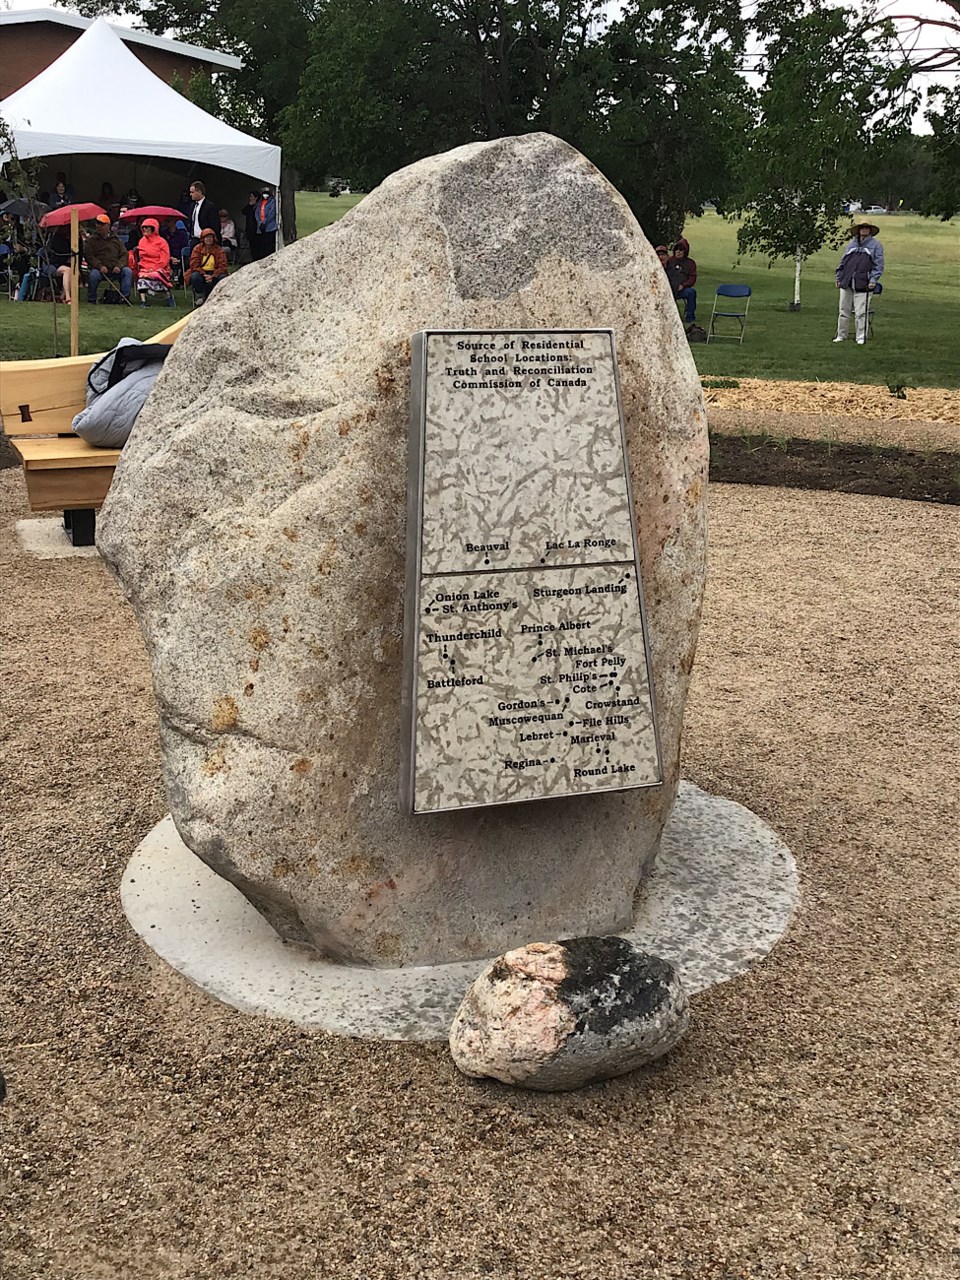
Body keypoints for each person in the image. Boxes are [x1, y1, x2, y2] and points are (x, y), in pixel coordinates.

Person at [833, 219, 884, 345]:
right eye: (862, 228)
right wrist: (839, 278)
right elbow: (843, 263)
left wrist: (873, 280)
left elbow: (878, 265)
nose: (864, 230)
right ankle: (841, 335)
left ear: (870, 230)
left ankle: (860, 336)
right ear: (859, 230)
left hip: (864, 284)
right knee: (843, 310)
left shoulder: (876, 245)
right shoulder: (851, 245)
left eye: (867, 228)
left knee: (861, 312)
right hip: (847, 282)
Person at [84, 213, 133, 304]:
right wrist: (100, 266)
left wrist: (119, 266)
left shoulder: (116, 239)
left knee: (127, 271)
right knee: (94, 275)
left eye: (102, 224)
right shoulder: (91, 240)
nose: (99, 226)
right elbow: (89, 256)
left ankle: (124, 298)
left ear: (108, 225)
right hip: (100, 270)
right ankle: (92, 299)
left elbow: (124, 254)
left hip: (116, 269)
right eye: (97, 223)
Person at [135, 218, 174, 307]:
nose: (145, 229)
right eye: (143, 227)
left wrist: (155, 268)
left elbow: (165, 259)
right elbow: (142, 258)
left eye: (147, 227)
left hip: (160, 268)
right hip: (145, 268)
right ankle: (143, 301)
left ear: (153, 228)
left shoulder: (162, 242)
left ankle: (168, 298)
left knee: (156, 275)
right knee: (142, 277)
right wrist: (147, 268)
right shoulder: (142, 241)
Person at [188, 226, 228, 304]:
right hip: (201, 272)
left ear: (214, 239)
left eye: (210, 237)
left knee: (223, 277)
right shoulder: (197, 249)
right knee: (194, 276)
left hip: (215, 272)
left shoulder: (219, 250)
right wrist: (204, 274)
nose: (208, 239)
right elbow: (194, 265)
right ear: (203, 239)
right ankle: (200, 296)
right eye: (206, 237)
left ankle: (218, 297)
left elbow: (223, 266)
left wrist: (213, 275)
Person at [665, 238, 697, 324]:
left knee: (691, 292)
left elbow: (692, 278)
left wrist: (683, 285)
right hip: (670, 288)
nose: (678, 252)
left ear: (685, 252)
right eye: (676, 250)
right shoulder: (670, 261)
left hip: (682, 288)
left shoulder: (691, 263)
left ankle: (689, 316)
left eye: (681, 250)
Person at [188, 180, 220, 247]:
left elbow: (215, 225)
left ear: (199, 192)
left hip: (206, 240)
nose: (190, 194)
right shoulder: (192, 206)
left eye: (192, 192)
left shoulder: (210, 206)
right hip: (194, 238)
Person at [255, 186, 278, 257]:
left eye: (267, 193)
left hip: (269, 227)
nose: (265, 195)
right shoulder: (260, 202)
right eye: (264, 193)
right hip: (260, 228)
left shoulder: (272, 201)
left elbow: (272, 213)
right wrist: (259, 223)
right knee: (261, 245)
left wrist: (264, 222)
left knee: (268, 245)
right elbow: (257, 213)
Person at [242, 191, 261, 261]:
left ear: (256, 198)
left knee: (257, 247)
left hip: (256, 231)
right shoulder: (250, 207)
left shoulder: (259, 207)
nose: (250, 198)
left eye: (251, 197)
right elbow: (243, 211)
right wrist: (249, 205)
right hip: (250, 230)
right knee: (252, 247)